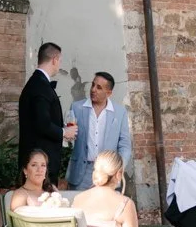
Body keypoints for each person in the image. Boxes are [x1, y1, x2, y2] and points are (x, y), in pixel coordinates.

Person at [17, 41, 76, 184]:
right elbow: (42, 123)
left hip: (36, 160)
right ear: (55, 60)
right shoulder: (40, 86)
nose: (59, 64)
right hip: (40, 165)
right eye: (60, 60)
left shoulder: (35, 83)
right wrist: (64, 132)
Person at [65, 71, 132, 191]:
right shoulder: (77, 107)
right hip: (81, 172)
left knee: (106, 208)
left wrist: (118, 167)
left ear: (109, 93)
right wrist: (67, 136)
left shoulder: (119, 112)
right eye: (93, 85)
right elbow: (69, 138)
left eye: (99, 87)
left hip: (108, 173)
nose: (93, 90)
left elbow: (125, 145)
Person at [8, 147, 56, 212]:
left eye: (43, 165)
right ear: (25, 170)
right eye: (34, 165)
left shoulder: (52, 189)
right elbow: (17, 221)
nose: (39, 170)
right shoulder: (20, 195)